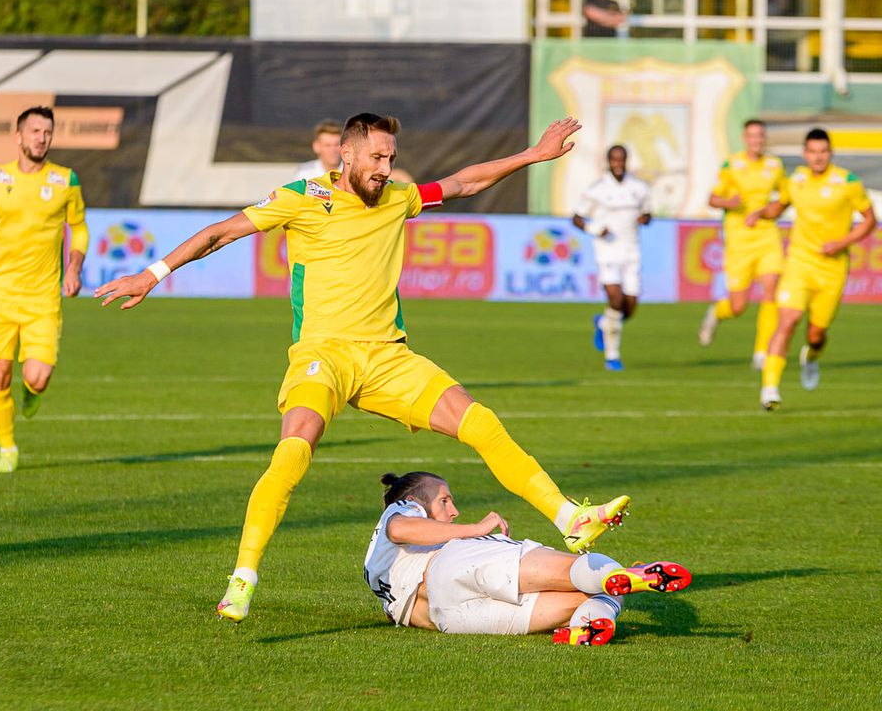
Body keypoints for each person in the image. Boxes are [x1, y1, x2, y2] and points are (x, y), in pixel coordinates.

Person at [95, 113, 631, 623]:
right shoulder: (305, 197)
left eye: (391, 158)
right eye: (376, 157)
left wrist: (535, 155)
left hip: (387, 357)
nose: (385, 168)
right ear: (346, 153)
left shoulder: (398, 197)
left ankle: (570, 519)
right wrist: (153, 273)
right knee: (292, 453)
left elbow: (463, 184)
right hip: (321, 356)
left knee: (480, 421)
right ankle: (243, 576)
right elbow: (219, 233)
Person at [365, 471, 691, 645]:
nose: (454, 510)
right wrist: (476, 528)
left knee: (589, 596)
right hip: (451, 565)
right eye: (445, 501)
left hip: (448, 619)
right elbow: (400, 527)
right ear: (412, 500)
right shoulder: (400, 512)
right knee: (577, 570)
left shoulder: (380, 574)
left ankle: (586, 624)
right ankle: (624, 572)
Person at [0, 106, 89, 473]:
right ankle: (8, 449)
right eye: (34, 131)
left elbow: (79, 228)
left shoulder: (66, 180)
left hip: (43, 297)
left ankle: (32, 392)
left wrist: (74, 268)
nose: (41, 138)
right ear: (18, 137)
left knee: (37, 377)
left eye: (47, 132)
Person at [757, 128, 876, 411]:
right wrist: (759, 212)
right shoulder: (795, 179)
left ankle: (810, 357)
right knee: (786, 321)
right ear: (805, 153)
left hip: (832, 270)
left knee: (816, 334)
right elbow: (779, 205)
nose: (818, 157)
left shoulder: (848, 182)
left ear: (830, 153)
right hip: (799, 262)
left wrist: (843, 242)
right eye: (813, 152)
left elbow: (870, 220)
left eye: (823, 152)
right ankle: (769, 389)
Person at [698, 120, 786, 369]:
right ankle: (716, 313)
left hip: (768, 236)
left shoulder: (775, 165)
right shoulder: (731, 165)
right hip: (739, 241)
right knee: (738, 306)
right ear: (744, 138)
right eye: (752, 136)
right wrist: (730, 203)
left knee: (771, 290)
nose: (757, 140)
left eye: (760, 135)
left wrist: (772, 209)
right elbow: (713, 199)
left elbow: (784, 197)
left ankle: (762, 353)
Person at [572, 144, 651, 371]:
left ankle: (603, 323)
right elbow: (577, 218)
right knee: (615, 300)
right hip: (607, 250)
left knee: (630, 307)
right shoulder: (597, 189)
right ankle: (612, 356)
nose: (618, 164)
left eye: (621, 160)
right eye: (614, 160)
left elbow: (647, 213)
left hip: (631, 250)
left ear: (626, 161)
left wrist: (645, 219)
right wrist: (596, 230)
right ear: (608, 162)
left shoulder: (639, 187)